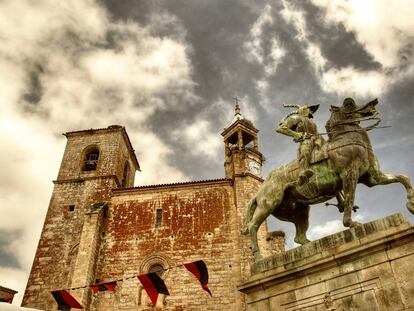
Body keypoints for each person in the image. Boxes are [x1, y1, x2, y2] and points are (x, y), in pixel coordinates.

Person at [276, 104, 321, 185]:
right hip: (306, 142)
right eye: (310, 109)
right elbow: (280, 129)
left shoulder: (312, 123)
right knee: (305, 152)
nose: (311, 112)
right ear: (304, 110)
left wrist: (318, 139)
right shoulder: (296, 118)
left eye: (312, 111)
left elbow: (316, 133)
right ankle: (303, 172)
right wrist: (298, 135)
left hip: (317, 141)